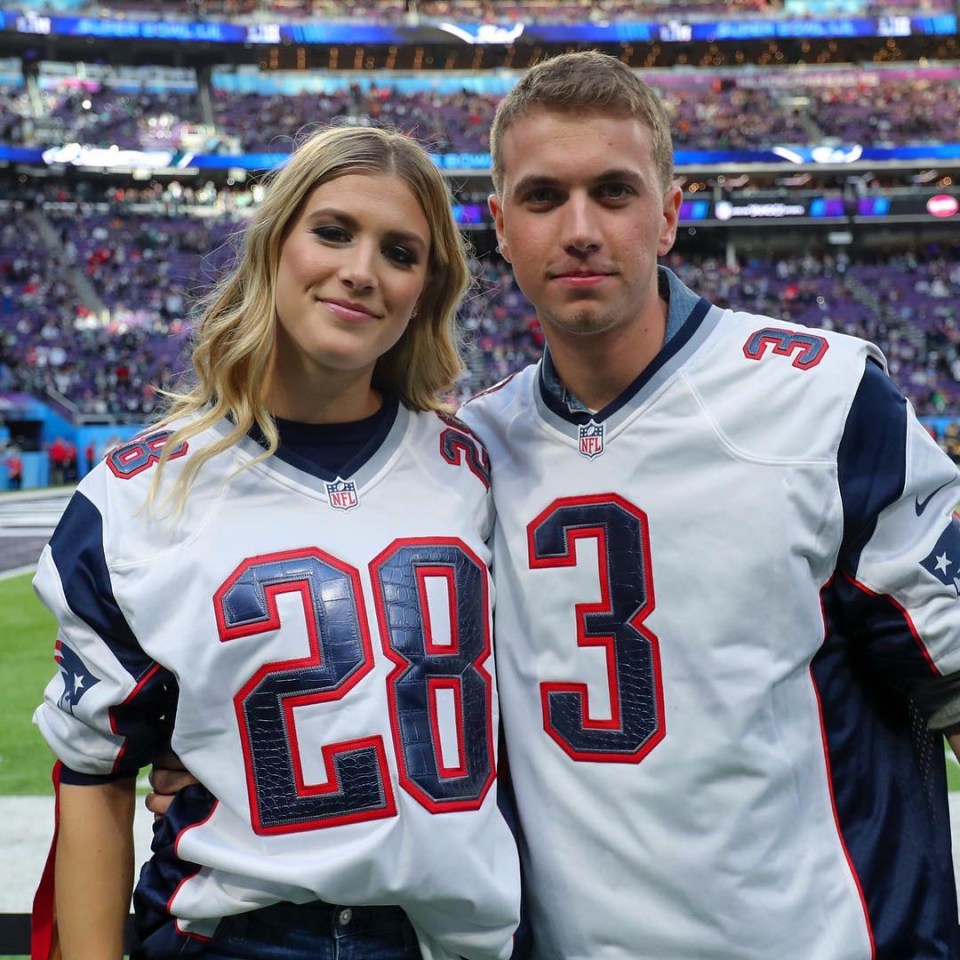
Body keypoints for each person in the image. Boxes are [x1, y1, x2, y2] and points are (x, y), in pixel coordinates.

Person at [149, 52, 960, 958]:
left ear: (669, 215)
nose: (579, 229)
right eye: (542, 198)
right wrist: (218, 755)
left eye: (614, 193)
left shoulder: (824, 401)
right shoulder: (465, 457)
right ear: (499, 226)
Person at [31, 124, 521, 960]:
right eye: (333, 232)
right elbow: (95, 772)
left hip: (443, 939)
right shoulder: (135, 495)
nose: (362, 271)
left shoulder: (478, 469)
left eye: (400, 253)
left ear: (423, 291)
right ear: (274, 243)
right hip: (231, 933)